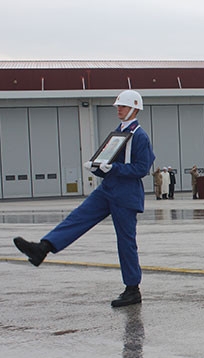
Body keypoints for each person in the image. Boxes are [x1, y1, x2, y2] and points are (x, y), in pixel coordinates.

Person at [13, 90, 156, 307]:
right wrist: (97, 168)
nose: (119, 109)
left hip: (125, 194)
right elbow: (108, 163)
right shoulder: (118, 132)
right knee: (77, 218)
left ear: (135, 108)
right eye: (118, 106)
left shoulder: (140, 136)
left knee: (125, 243)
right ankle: (43, 248)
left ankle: (132, 289)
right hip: (108, 189)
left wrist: (113, 168)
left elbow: (142, 168)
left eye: (123, 107)